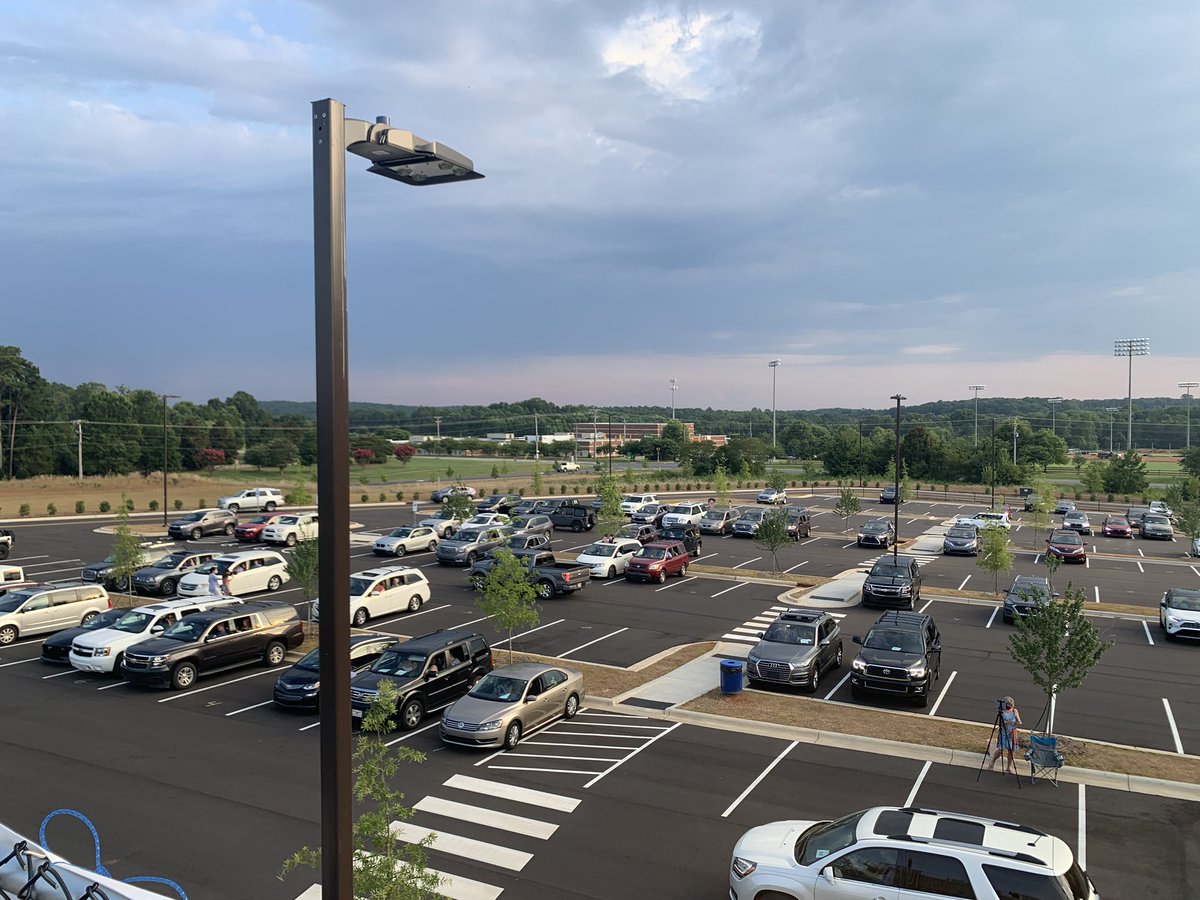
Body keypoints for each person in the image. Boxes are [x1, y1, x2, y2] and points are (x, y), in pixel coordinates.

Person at [989, 696, 1023, 774]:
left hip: (1012, 732)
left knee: (1011, 750)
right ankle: (992, 762)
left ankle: (1008, 767)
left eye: (1010, 705)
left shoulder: (1014, 711)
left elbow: (1019, 721)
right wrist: (1008, 722)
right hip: (1003, 732)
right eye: (1008, 705)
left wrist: (1016, 722)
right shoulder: (1002, 712)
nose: (1009, 707)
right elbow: (1000, 723)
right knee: (1001, 749)